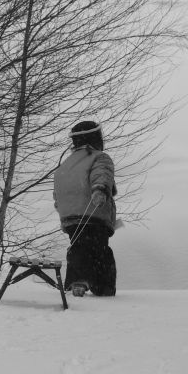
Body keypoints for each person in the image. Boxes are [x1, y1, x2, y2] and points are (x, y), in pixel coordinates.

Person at [53, 121, 117, 297]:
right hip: (94, 211)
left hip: (69, 216)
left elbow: (58, 189)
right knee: (100, 251)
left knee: (80, 246)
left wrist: (61, 207)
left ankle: (76, 280)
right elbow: (101, 174)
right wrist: (101, 190)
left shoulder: (66, 164)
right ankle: (102, 287)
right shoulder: (99, 157)